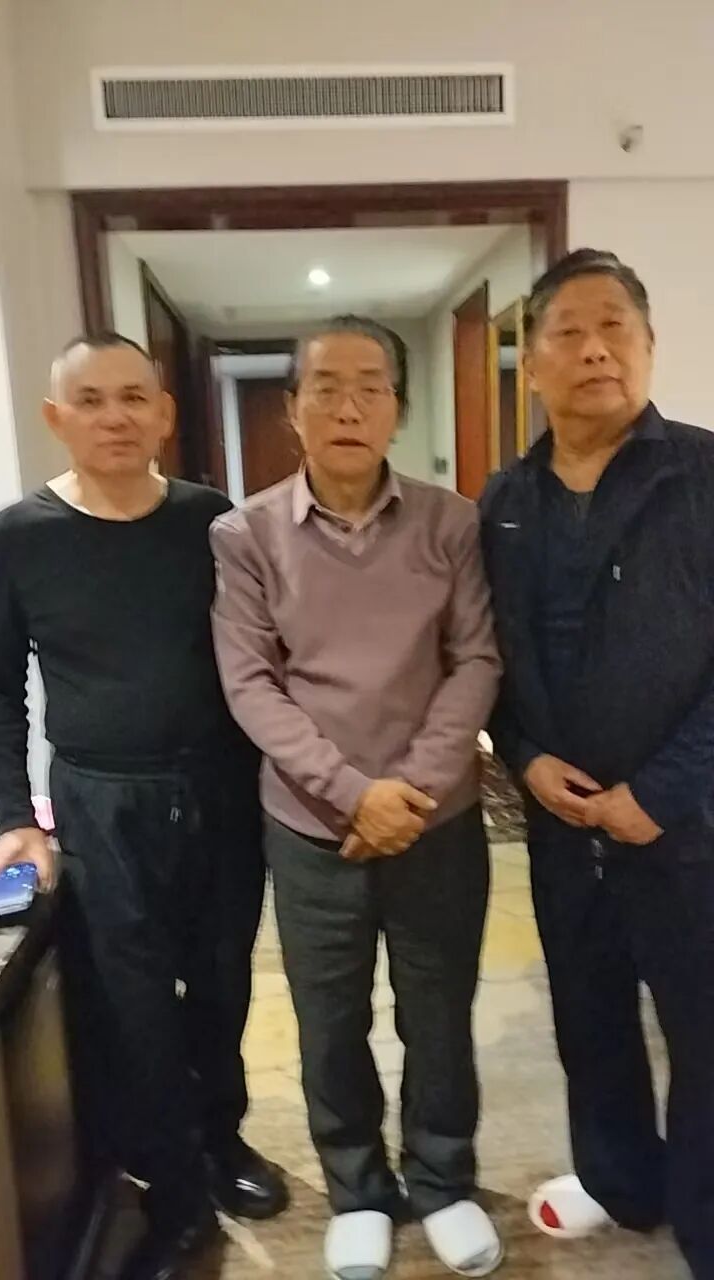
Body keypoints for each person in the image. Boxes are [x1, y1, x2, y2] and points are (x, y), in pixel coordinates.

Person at [211, 315, 503, 1280]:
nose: (347, 405)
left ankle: (444, 1182)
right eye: (325, 387)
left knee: (439, 1011)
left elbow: (476, 660)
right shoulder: (245, 534)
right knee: (330, 1018)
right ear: (292, 409)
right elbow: (251, 683)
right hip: (310, 826)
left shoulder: (451, 523)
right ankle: (359, 1192)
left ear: (396, 408)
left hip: (436, 821)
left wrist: (408, 789)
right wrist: (350, 793)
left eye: (369, 386)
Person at [0, 334, 287, 1280]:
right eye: (90, 400)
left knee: (223, 985)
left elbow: (262, 654)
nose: (114, 417)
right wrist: (16, 816)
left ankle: (223, 1139)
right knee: (134, 1011)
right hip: (101, 802)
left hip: (221, 791)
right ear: (56, 418)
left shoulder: (213, 521)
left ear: (163, 413)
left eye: (133, 398)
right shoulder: (17, 537)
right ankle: (176, 1193)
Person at [481, 249, 714, 1280]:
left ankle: (703, 1216)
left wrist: (661, 790)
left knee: (703, 1029)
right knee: (590, 1016)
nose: (594, 350)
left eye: (615, 327)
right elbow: (487, 656)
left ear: (649, 346)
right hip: (563, 823)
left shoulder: (702, 475)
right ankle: (624, 1179)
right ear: (532, 362)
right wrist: (524, 756)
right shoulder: (504, 499)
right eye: (568, 332)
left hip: (688, 820)